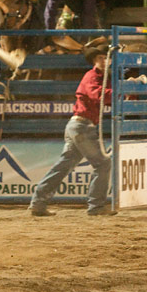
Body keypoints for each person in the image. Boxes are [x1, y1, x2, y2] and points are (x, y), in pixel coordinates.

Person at [28, 44, 116, 216]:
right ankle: (96, 206)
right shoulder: (92, 76)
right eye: (100, 58)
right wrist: (123, 92)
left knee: (64, 165)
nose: (104, 61)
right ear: (94, 60)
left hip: (77, 126)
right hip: (82, 127)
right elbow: (97, 95)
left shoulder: (103, 78)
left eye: (107, 57)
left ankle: (38, 203)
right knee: (103, 163)